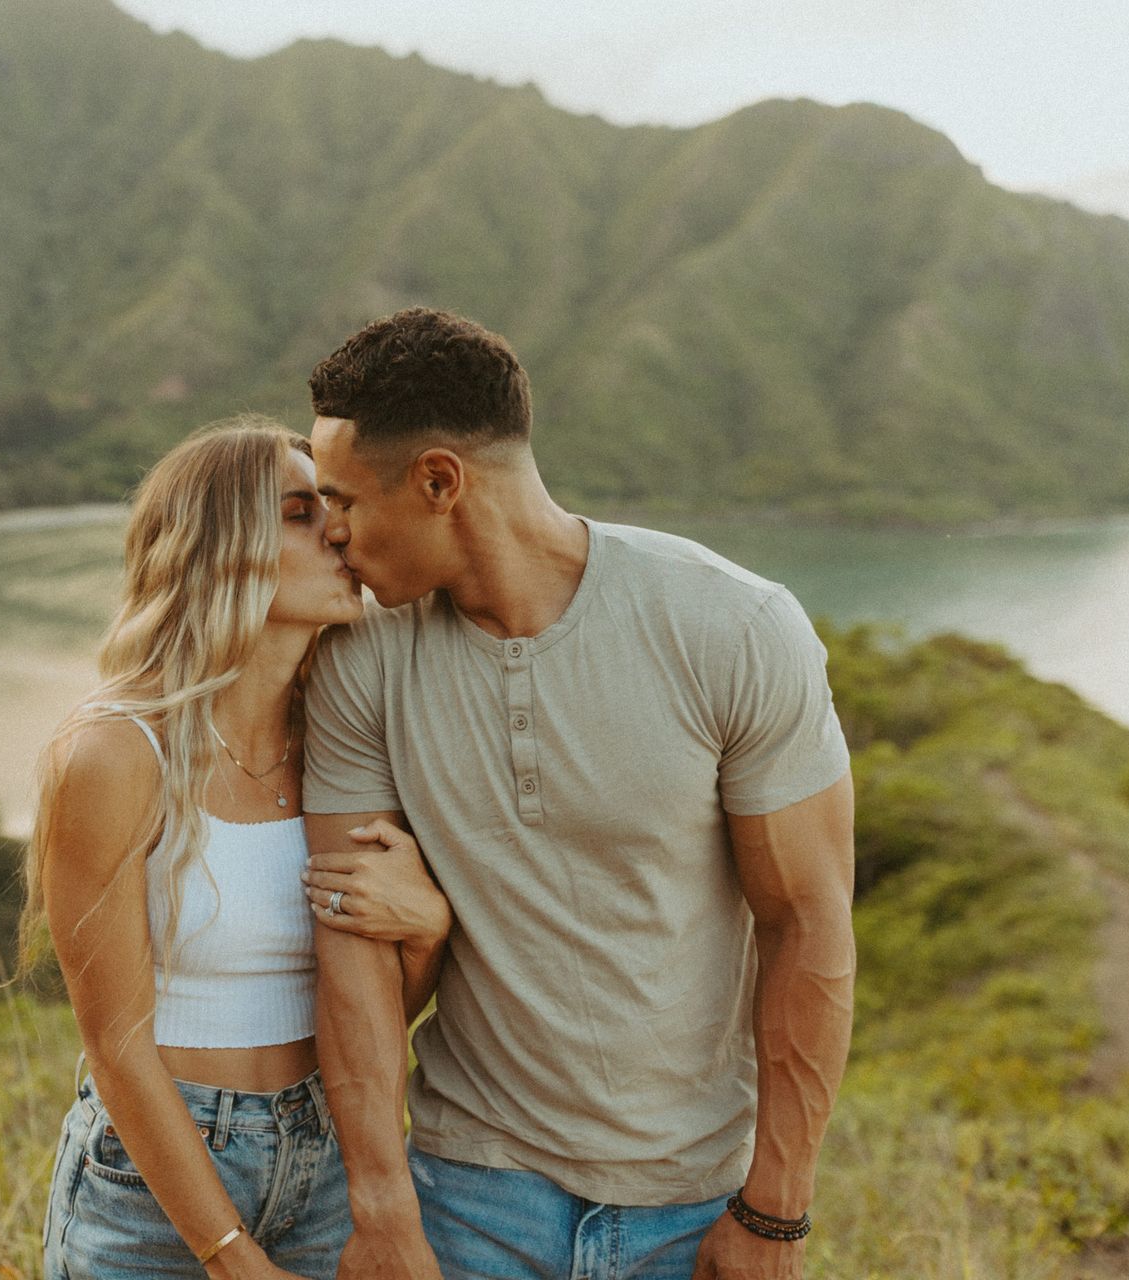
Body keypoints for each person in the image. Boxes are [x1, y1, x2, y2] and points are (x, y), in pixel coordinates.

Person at [296, 309, 857, 1280]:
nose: (332, 534)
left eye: (342, 498)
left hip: (691, 1198)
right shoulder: (359, 656)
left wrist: (777, 1209)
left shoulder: (733, 624)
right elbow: (349, 938)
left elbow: (807, 921)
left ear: (439, 480)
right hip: (465, 1191)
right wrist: (381, 1211)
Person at [22, 416, 454, 1280]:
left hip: (327, 1155)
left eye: (330, 505)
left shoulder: (351, 751)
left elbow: (371, 1014)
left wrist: (430, 931)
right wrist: (229, 1257)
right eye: (299, 512)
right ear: (217, 549)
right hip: (152, 1184)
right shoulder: (115, 753)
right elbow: (116, 1046)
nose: (338, 530)